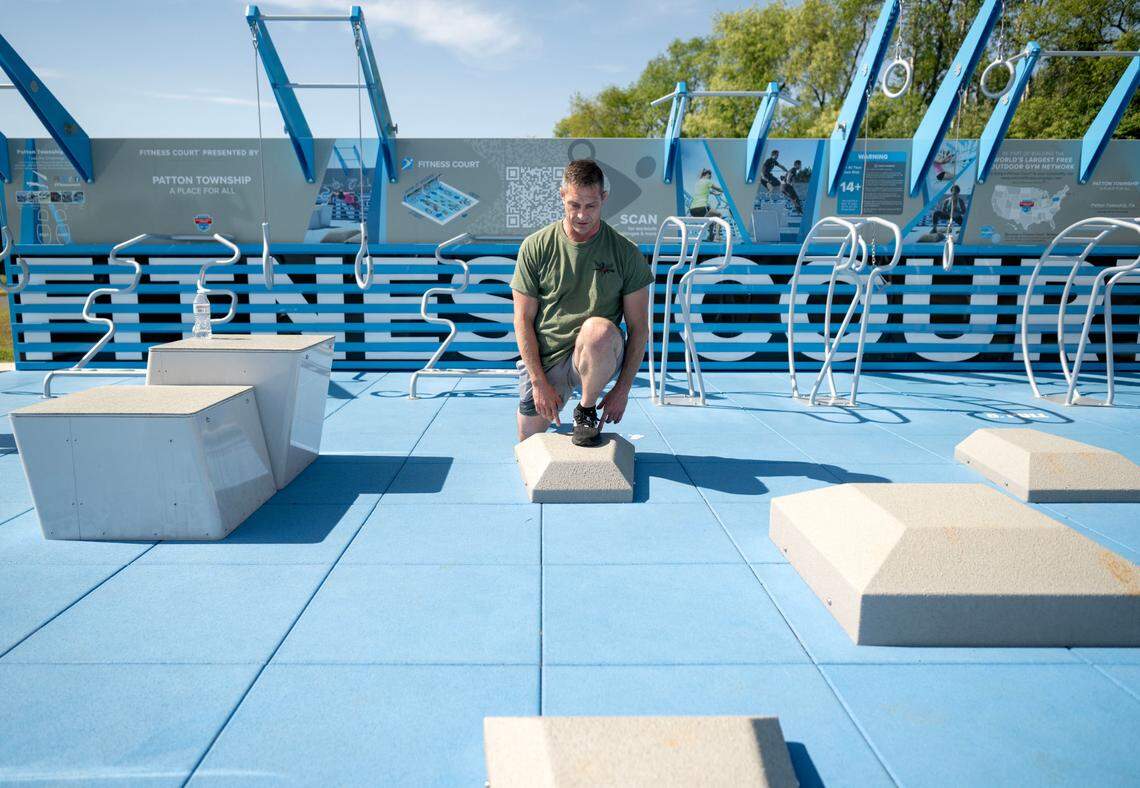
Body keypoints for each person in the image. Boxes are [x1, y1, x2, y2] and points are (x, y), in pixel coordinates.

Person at [511, 159, 653, 447]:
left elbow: (639, 327)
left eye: (591, 206)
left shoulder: (626, 252)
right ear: (562, 195)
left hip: (597, 350)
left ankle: (585, 409)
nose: (581, 215)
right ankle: (549, 394)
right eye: (574, 204)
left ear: (604, 198)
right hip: (548, 355)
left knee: (597, 330)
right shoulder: (535, 246)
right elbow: (522, 320)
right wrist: (539, 383)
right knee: (527, 440)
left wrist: (622, 389)